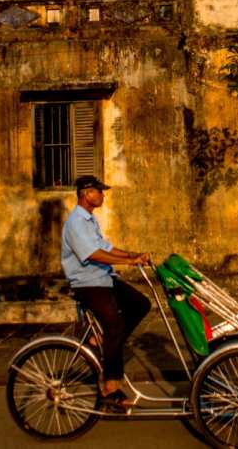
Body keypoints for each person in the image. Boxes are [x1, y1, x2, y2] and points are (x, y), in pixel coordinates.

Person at [60, 174, 151, 409]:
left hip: (103, 278)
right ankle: (111, 388)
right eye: (99, 191)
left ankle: (100, 340)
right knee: (116, 327)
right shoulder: (76, 223)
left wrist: (133, 255)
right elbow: (93, 254)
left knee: (141, 304)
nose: (103, 195)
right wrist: (129, 263)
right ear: (86, 194)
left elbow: (106, 247)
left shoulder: (90, 220)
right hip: (87, 283)